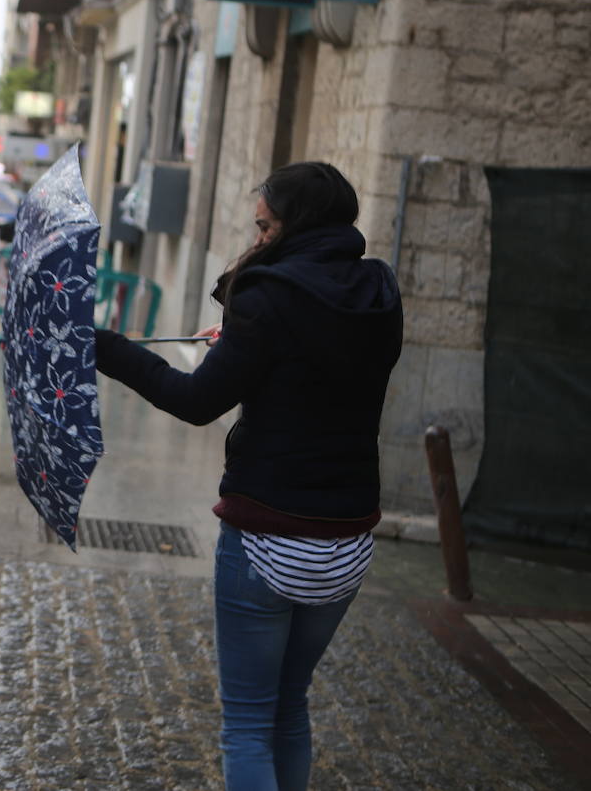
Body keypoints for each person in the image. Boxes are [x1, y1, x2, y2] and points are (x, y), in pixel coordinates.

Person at [92, 162, 402, 790]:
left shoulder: (270, 296)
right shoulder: (377, 292)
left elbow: (197, 402)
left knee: (247, 724)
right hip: (347, 544)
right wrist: (240, 344)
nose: (257, 238)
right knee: (290, 707)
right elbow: (316, 365)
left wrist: (109, 348)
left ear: (296, 224)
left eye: (265, 226)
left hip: (267, 537)